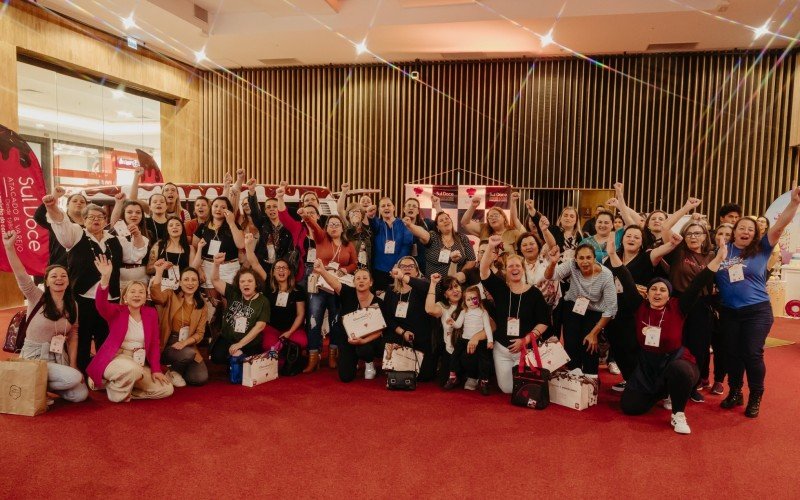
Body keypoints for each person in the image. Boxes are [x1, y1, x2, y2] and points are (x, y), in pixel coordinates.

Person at [612, 237, 727, 434]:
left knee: (679, 370)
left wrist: (718, 259)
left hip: (675, 359)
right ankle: (662, 391)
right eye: (653, 289)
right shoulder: (639, 306)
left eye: (662, 290)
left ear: (669, 294)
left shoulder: (678, 306)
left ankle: (678, 413)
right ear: (647, 294)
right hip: (648, 365)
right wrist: (613, 254)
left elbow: (698, 283)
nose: (657, 293)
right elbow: (625, 278)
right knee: (630, 407)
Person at [716, 187, 799, 418]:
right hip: (729, 311)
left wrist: (793, 204)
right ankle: (735, 391)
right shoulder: (722, 250)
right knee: (731, 353)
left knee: (751, 353)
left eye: (749, 229)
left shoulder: (761, 248)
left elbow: (780, 225)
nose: (745, 231)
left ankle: (755, 394)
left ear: (755, 234)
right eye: (741, 227)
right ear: (734, 231)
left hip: (757, 311)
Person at [43, 187, 124, 371]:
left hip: (109, 299)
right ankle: (80, 372)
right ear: (84, 219)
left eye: (100, 217)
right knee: (83, 337)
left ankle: (103, 372)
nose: (96, 220)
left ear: (105, 221)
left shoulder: (113, 239)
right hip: (83, 298)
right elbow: (60, 223)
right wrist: (52, 207)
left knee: (106, 337)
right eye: (91, 217)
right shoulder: (76, 234)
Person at [3, 231, 88, 403]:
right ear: (47, 281)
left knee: (80, 394)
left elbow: (73, 335)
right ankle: (35, 384)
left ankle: (38, 387)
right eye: (54, 276)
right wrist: (9, 247)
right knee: (73, 378)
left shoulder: (73, 304)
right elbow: (21, 275)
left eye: (63, 276)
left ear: (68, 281)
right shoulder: (36, 297)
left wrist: (73, 364)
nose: (59, 279)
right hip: (34, 355)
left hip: (58, 356)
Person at [86, 255, 173, 402]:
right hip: (116, 359)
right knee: (133, 370)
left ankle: (123, 390)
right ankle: (116, 394)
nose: (137, 295)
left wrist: (156, 369)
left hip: (138, 362)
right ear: (125, 297)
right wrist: (105, 278)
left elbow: (153, 344)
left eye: (141, 292)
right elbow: (101, 304)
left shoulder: (151, 313)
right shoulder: (116, 312)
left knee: (166, 389)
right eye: (133, 292)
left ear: (146, 298)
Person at [480, 235, 550, 394]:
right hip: (502, 349)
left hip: (524, 349)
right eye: (510, 266)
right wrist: (490, 246)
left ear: (523, 269)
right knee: (507, 389)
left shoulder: (534, 293)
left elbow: (543, 322)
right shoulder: (500, 289)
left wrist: (525, 340)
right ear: (505, 271)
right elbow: (483, 271)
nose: (514, 268)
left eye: (518, 265)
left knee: (523, 387)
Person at [545, 243, 617, 376]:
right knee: (571, 345)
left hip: (595, 311)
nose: (584, 261)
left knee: (590, 344)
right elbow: (550, 276)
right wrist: (553, 263)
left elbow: (611, 309)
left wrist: (594, 333)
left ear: (594, 259)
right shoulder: (572, 265)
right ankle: (574, 377)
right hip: (573, 306)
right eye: (581, 258)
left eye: (588, 257)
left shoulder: (606, 275)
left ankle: (590, 379)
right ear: (576, 259)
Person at [302, 213, 357, 371]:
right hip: (319, 286)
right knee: (314, 320)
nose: (333, 227)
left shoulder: (349, 245)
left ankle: (333, 355)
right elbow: (314, 226)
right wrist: (307, 217)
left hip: (338, 287)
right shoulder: (321, 238)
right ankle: (313, 356)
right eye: (330, 224)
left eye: (337, 224)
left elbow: (354, 263)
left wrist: (344, 270)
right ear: (326, 228)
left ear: (342, 228)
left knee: (336, 321)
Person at [244, 234, 308, 368]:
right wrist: (248, 247)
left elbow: (300, 314)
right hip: (272, 328)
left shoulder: (298, 290)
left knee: (302, 342)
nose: (281, 270)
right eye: (277, 268)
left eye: (284, 268)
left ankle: (284, 354)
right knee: (268, 345)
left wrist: (289, 332)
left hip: (292, 329)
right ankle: (282, 355)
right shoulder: (268, 285)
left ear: (289, 272)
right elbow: (254, 263)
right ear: (273, 272)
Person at [315, 261, 384, 382]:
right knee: (345, 377)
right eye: (357, 278)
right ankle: (354, 360)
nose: (361, 281)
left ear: (371, 282)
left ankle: (369, 362)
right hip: (348, 339)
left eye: (364, 278)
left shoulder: (378, 302)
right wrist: (322, 271)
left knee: (365, 349)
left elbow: (381, 329)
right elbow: (335, 283)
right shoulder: (348, 293)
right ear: (354, 282)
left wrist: (363, 340)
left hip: (369, 341)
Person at [149, 261, 209, 387]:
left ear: (198, 283)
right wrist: (159, 272)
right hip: (168, 341)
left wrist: (184, 343)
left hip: (187, 343)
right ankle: (174, 369)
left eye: (194, 280)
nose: (190, 283)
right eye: (186, 279)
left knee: (199, 378)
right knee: (188, 354)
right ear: (180, 282)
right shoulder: (171, 295)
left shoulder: (202, 304)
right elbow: (156, 297)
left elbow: (200, 333)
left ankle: (175, 371)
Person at [208, 253, 270, 365]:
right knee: (216, 358)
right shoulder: (234, 292)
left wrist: (240, 344)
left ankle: (237, 360)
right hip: (228, 338)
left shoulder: (263, 301)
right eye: (242, 281)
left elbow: (260, 326)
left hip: (249, 343)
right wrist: (216, 264)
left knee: (245, 363)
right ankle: (234, 360)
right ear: (239, 284)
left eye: (250, 281)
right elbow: (215, 281)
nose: (246, 284)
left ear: (256, 284)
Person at [382, 257, 437, 381]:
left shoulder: (424, 287)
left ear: (417, 271)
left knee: (424, 377)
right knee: (396, 373)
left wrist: (403, 277)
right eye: (403, 266)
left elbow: (425, 285)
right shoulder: (391, 290)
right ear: (398, 269)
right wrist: (402, 332)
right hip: (398, 334)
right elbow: (387, 317)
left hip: (420, 337)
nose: (407, 268)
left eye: (411, 266)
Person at [444, 286, 494, 395]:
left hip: (480, 341)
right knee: (454, 355)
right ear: (465, 301)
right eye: (468, 299)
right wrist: (452, 322)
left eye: (474, 298)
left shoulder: (483, 312)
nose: (471, 302)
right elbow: (458, 325)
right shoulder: (464, 312)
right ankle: (452, 376)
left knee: (484, 360)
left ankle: (484, 381)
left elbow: (487, 327)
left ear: (479, 299)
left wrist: (490, 340)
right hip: (464, 339)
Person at [403, 211, 476, 279]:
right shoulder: (433, 236)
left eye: (447, 218)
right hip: (434, 286)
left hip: (455, 286)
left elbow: (471, 260)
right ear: (437, 227)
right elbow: (423, 234)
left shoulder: (462, 237)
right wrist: (410, 225)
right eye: (441, 220)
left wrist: (461, 274)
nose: (445, 221)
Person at [246, 179, 296, 278]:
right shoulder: (262, 223)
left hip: (283, 266)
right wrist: (252, 191)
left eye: (274, 206)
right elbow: (255, 211)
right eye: (268, 207)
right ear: (265, 210)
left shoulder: (288, 224)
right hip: (263, 265)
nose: (272, 209)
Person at [193, 197, 244, 290]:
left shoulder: (234, 225)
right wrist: (199, 269)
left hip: (229, 268)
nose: (218, 209)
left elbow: (241, 245)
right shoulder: (202, 227)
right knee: (212, 302)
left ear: (228, 210)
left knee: (228, 301)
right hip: (208, 267)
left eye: (223, 207)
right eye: (215, 206)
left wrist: (231, 223)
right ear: (211, 207)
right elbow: (194, 249)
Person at [370, 197, 415, 291]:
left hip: (399, 269)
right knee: (381, 299)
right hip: (379, 270)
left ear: (393, 208)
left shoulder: (403, 223)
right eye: (383, 206)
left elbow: (406, 246)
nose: (386, 207)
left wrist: (398, 264)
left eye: (388, 205)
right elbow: (371, 222)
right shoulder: (377, 224)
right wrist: (371, 215)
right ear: (379, 210)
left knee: (397, 299)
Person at [34, 192, 86, 268]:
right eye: (74, 201)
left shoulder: (90, 225)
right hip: (59, 269)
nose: (79, 203)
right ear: (67, 205)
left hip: (82, 270)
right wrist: (53, 197)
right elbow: (39, 217)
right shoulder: (58, 220)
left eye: (82, 202)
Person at [147, 217, 201, 287]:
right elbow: (148, 269)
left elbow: (192, 270)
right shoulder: (159, 245)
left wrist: (199, 248)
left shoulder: (190, 248)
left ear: (182, 228)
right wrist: (161, 267)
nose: (174, 227)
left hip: (183, 286)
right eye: (171, 225)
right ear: (167, 229)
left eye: (178, 225)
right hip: (162, 286)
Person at [337, 183, 373, 270]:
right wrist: (344, 192)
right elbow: (340, 210)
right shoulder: (347, 226)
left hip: (366, 268)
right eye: (352, 212)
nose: (355, 214)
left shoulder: (367, 228)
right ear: (348, 215)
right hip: (350, 268)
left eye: (357, 211)